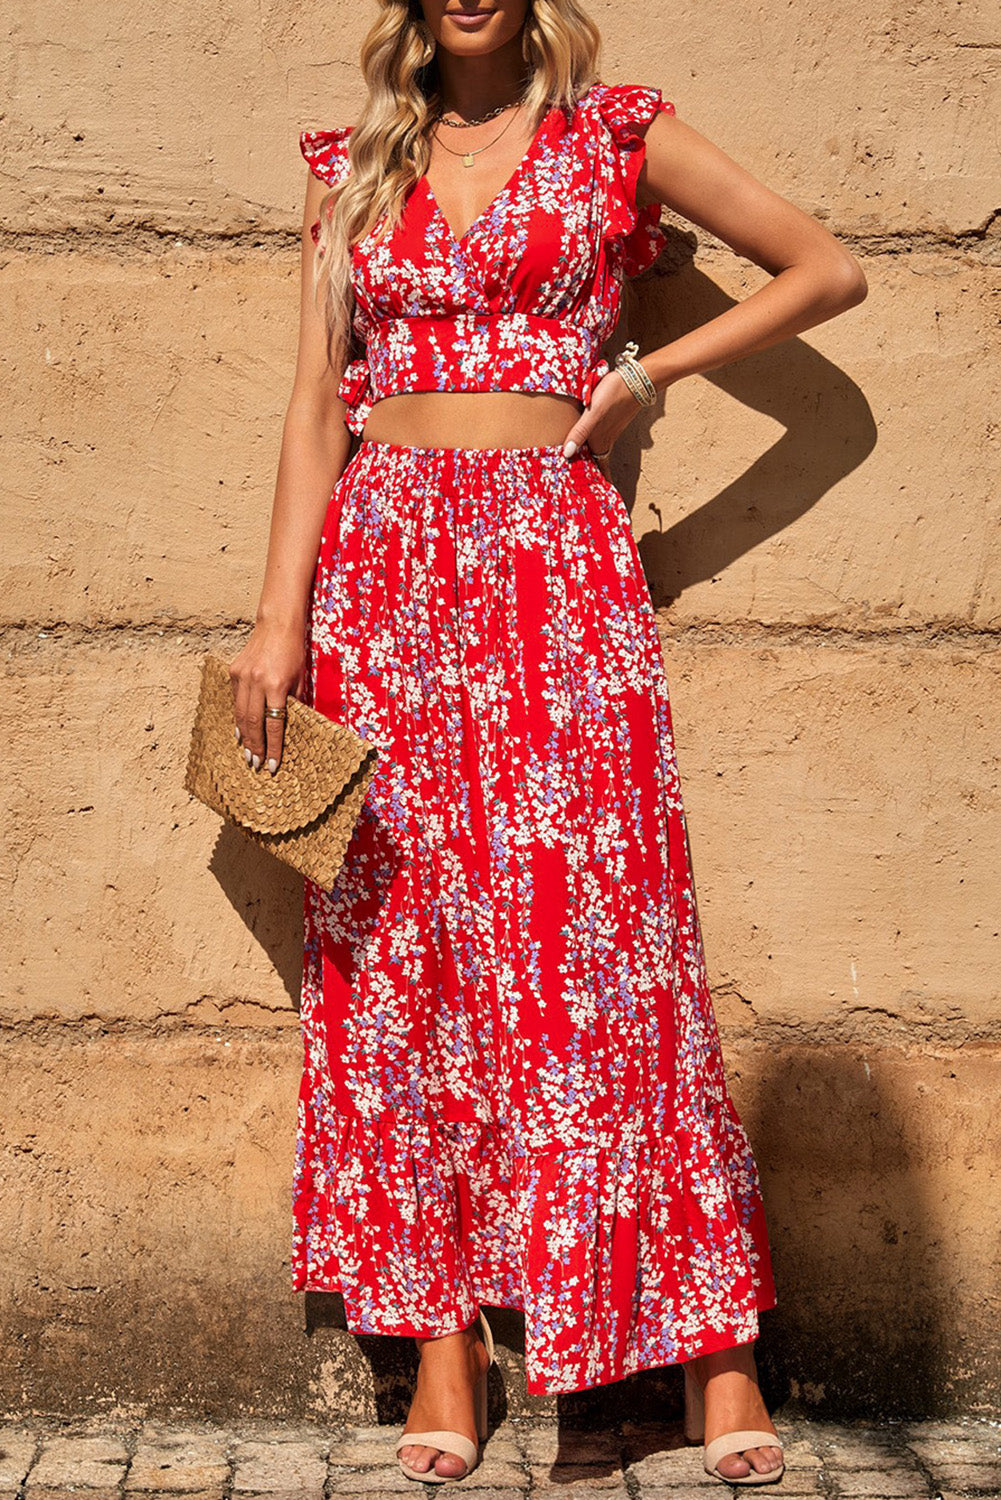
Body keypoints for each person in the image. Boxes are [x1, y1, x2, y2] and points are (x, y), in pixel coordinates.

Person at [228, 0, 866, 1487]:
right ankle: (442, 1343)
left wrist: (652, 371)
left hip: (554, 564)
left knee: (612, 945)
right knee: (402, 958)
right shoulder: (352, 167)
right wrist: (277, 621)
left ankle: (714, 1346)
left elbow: (825, 270)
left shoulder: (614, 137)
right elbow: (316, 409)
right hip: (383, 572)